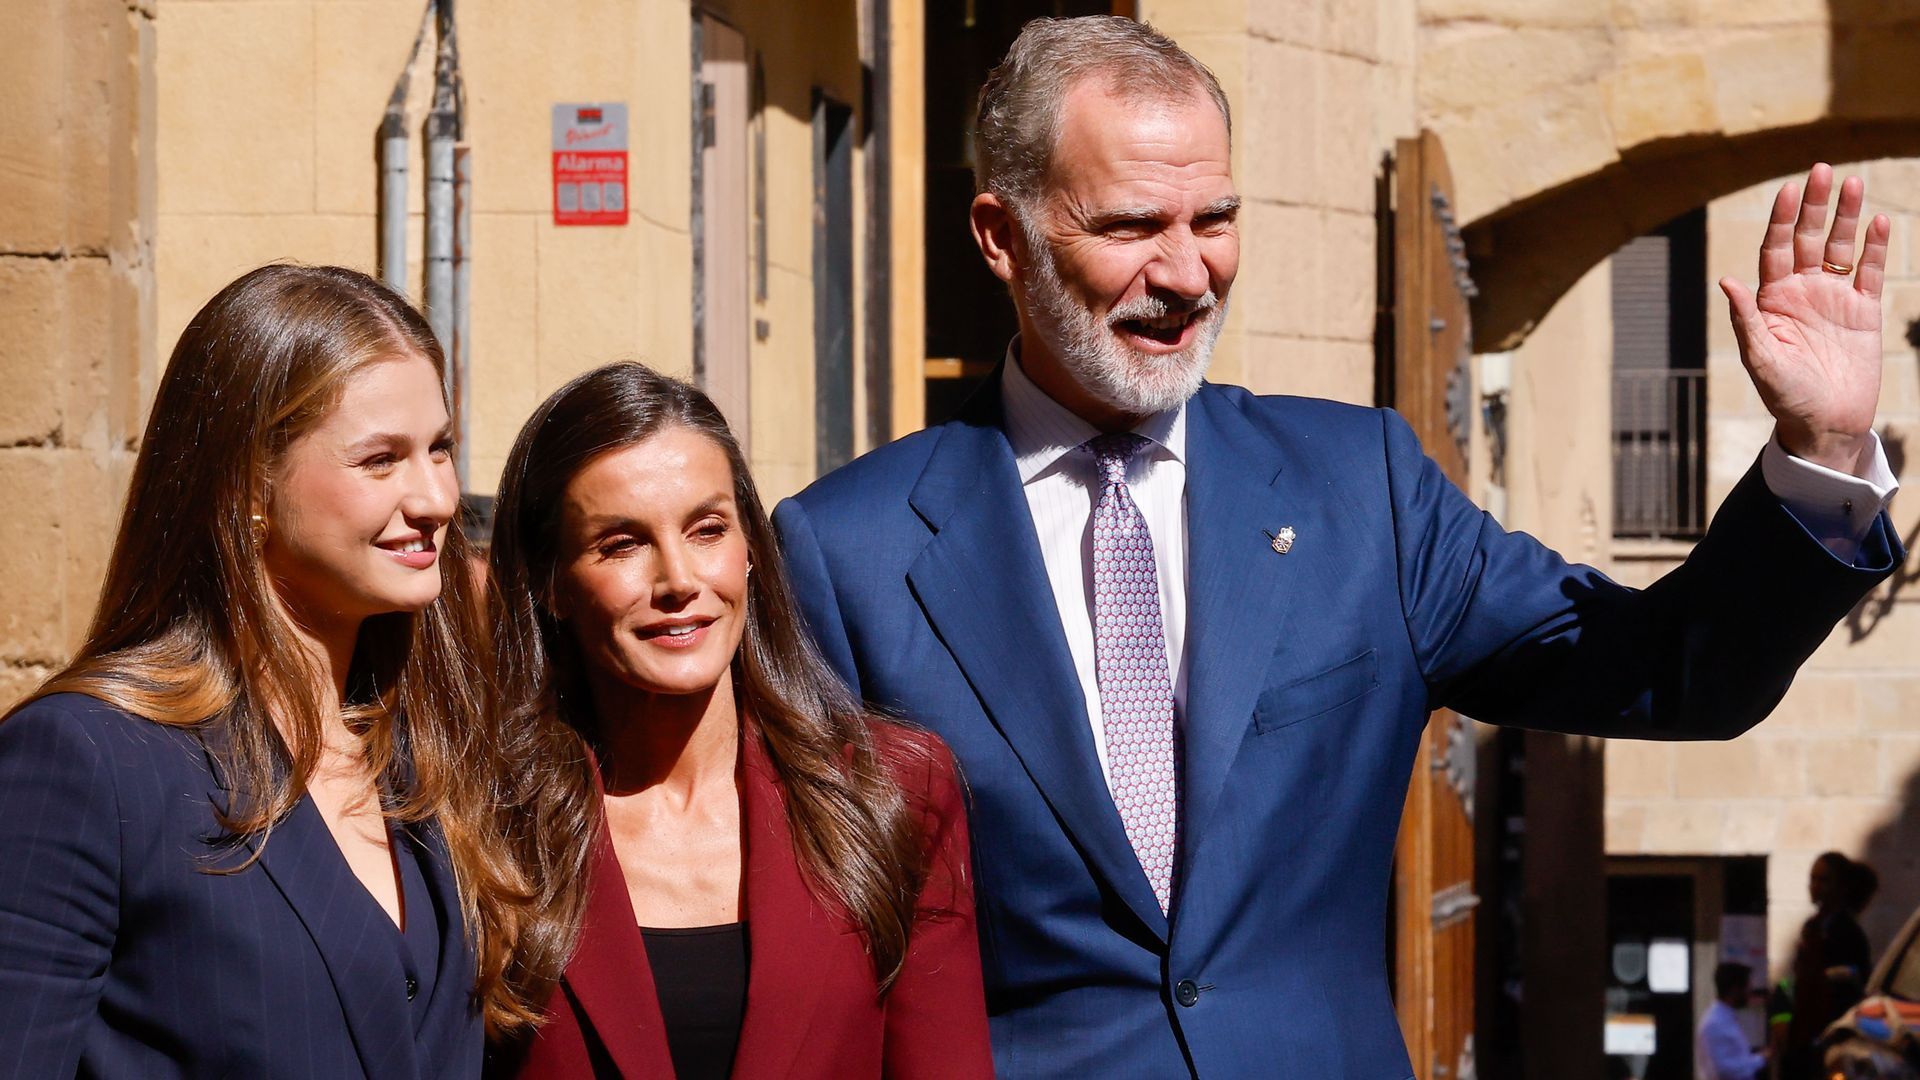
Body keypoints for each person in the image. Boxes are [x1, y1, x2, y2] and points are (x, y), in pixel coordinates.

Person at [770, 15, 1902, 1077]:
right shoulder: (846, 554)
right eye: (1131, 227)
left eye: (1213, 219)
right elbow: (813, 962)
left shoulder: (1364, 490)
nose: (1184, 273)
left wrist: (1822, 447)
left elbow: (1677, 672)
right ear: (1000, 237)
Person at [0, 264, 534, 1076]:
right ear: (251, 483)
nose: (434, 498)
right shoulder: (87, 762)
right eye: (381, 460)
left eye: (440, 449)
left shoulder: (422, 752)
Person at [483, 363, 992, 1079]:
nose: (680, 580)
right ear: (550, 584)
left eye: (707, 529)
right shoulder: (481, 825)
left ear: (750, 549)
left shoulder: (895, 793)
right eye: (622, 544)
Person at [1700, 962, 1768, 1080]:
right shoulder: (1715, 1024)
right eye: (1747, 986)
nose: (1750, 991)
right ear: (1735, 989)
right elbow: (1724, 1070)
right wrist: (1761, 1059)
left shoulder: (1726, 1019)